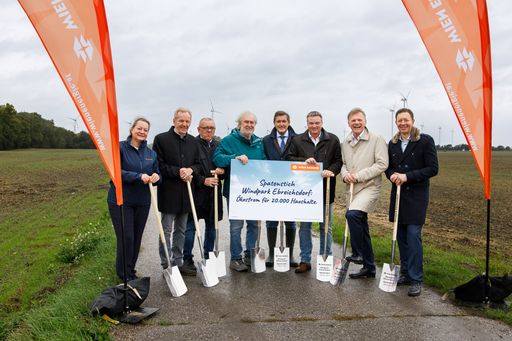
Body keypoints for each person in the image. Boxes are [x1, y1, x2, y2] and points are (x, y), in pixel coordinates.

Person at [385, 108, 438, 296]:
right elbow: (388, 168)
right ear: (396, 122)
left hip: (416, 197)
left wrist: (407, 176)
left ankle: (416, 279)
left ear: (413, 121)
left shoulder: (425, 140)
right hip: (398, 196)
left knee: (413, 236)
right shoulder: (391, 143)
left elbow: (433, 168)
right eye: (399, 120)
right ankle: (406, 273)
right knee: (401, 236)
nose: (402, 123)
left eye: (406, 120)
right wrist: (392, 176)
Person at [287, 111, 342, 274]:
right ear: (307, 123)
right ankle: (305, 260)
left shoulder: (333, 139)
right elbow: (289, 159)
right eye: (311, 123)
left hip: (326, 191)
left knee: (326, 227)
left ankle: (326, 257)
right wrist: (303, 161)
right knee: (304, 227)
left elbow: (338, 161)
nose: (314, 126)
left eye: (317, 123)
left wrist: (330, 171)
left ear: (322, 122)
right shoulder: (297, 140)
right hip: (305, 193)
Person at [107, 117, 160, 281]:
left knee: (136, 238)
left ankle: (131, 271)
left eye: (145, 130)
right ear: (132, 129)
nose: (142, 132)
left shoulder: (151, 153)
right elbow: (115, 172)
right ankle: (123, 275)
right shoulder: (120, 148)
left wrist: (157, 176)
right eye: (139, 128)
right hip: (122, 200)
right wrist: (138, 176)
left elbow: (158, 173)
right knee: (127, 237)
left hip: (143, 201)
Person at [213, 111, 266, 272]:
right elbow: (217, 158)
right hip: (236, 192)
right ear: (239, 124)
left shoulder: (258, 142)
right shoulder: (229, 140)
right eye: (246, 122)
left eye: (252, 123)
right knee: (236, 226)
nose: (249, 125)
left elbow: (263, 161)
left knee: (254, 225)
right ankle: (235, 258)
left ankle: (250, 256)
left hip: (255, 192)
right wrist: (234, 158)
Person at [341, 107, 388, 279]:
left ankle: (358, 252)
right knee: (362, 226)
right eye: (353, 120)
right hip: (352, 189)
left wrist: (359, 176)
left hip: (369, 186)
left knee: (352, 215)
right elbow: (343, 164)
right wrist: (345, 175)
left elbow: (382, 164)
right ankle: (369, 268)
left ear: (365, 121)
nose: (356, 123)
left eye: (359, 120)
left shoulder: (377, 139)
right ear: (348, 123)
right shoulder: (345, 142)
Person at [152, 108, 201, 273]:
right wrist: (178, 171)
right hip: (169, 193)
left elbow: (199, 164)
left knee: (181, 230)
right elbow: (159, 165)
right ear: (174, 121)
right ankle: (166, 263)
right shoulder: (161, 139)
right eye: (181, 121)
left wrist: (191, 170)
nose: (184, 124)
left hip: (186, 194)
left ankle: (178, 261)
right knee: (166, 230)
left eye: (187, 121)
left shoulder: (194, 142)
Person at [181, 117, 225, 275]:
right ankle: (187, 259)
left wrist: (222, 171)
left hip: (214, 195)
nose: (209, 130)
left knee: (212, 227)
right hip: (195, 193)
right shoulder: (191, 144)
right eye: (205, 127)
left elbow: (225, 165)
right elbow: (189, 168)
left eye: (212, 128)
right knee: (190, 227)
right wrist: (202, 180)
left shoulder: (219, 146)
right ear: (198, 129)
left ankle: (208, 256)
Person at [262, 110, 299, 267]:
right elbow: (262, 158)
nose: (281, 124)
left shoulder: (298, 139)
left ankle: (289, 255)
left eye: (284, 121)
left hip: (292, 185)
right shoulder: (266, 140)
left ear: (288, 122)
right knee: (271, 221)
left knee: (290, 221)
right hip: (272, 186)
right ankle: (271, 253)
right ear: (274, 123)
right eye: (278, 122)